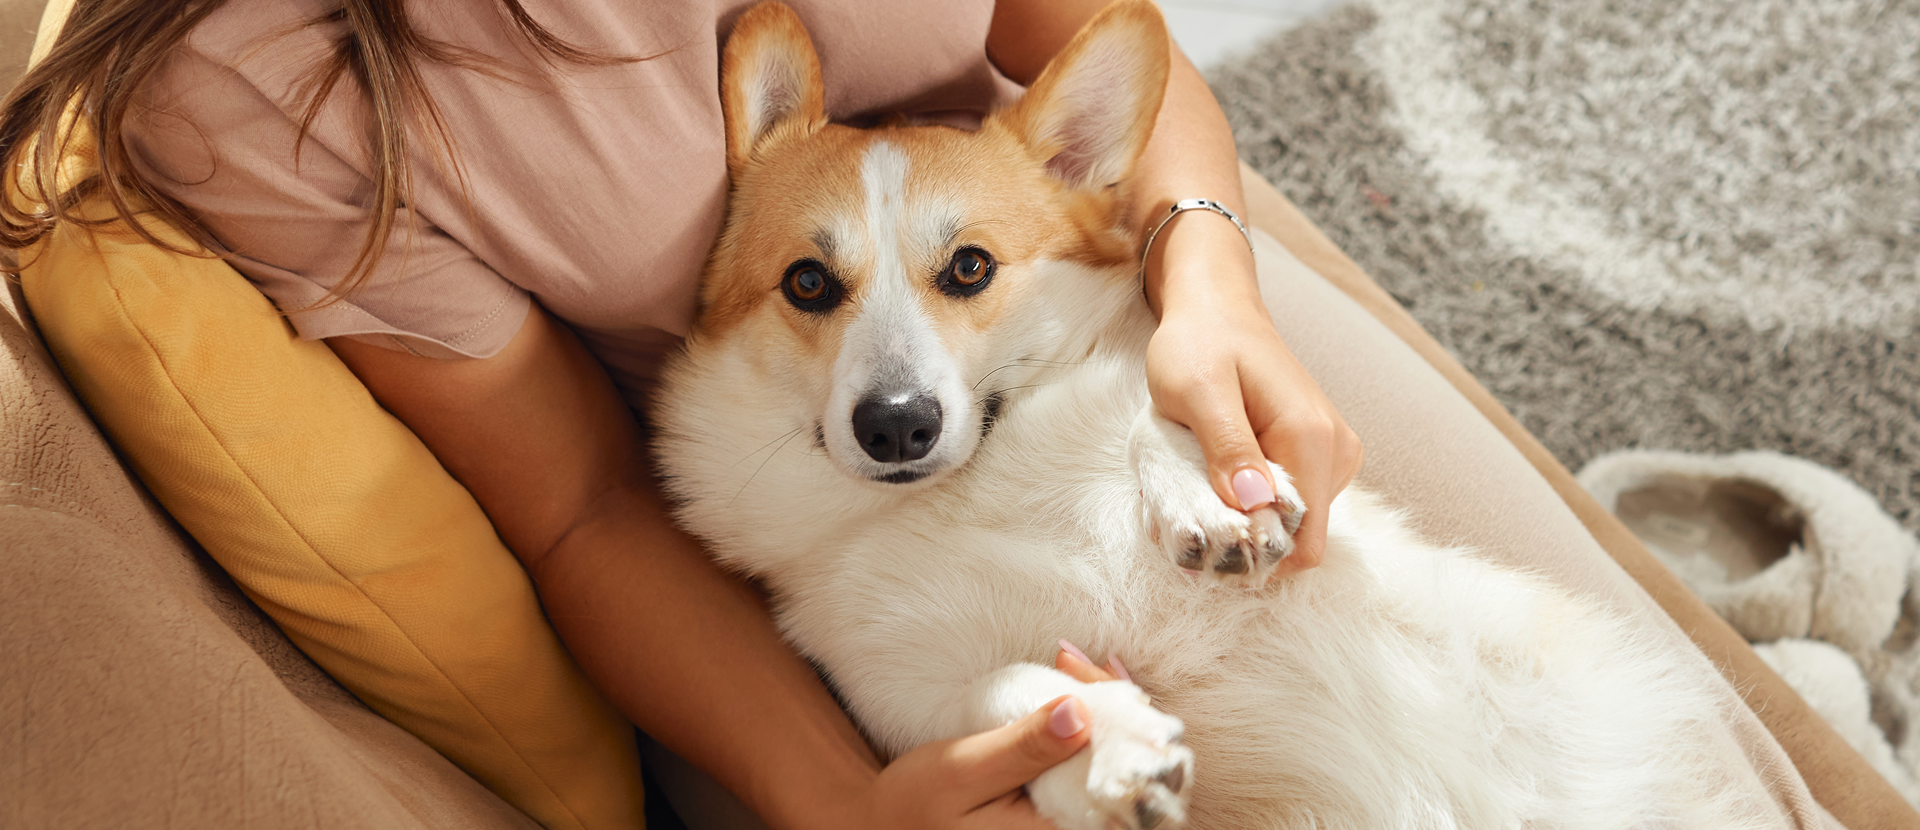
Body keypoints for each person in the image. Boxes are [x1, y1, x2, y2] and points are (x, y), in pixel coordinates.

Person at [1, 1, 1363, 827]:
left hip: (1091, 311)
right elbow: (582, 505)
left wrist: (1211, 277)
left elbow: (1096, 41)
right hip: (799, 563)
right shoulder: (253, 86)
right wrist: (843, 805)